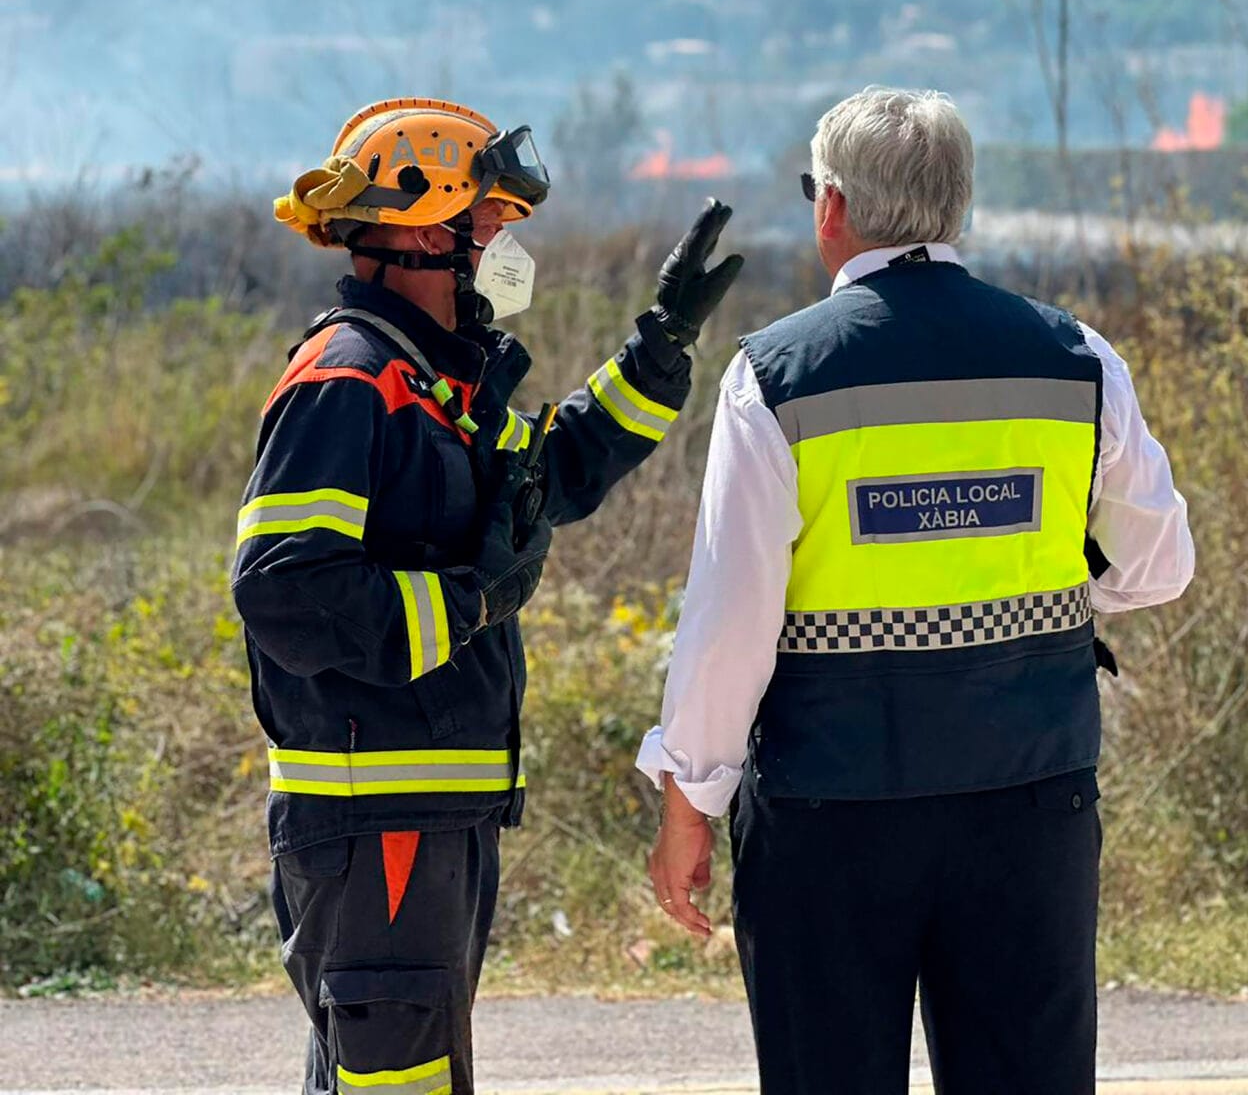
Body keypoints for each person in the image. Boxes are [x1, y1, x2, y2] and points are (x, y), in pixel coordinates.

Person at [639, 86, 1193, 1095]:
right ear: (961, 205)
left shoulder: (778, 374)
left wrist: (690, 802)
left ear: (832, 205)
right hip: (1030, 801)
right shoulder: (1077, 359)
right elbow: (1160, 563)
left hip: (832, 810)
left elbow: (732, 624)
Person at [233, 97, 741, 1095]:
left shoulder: (434, 386)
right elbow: (287, 591)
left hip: (429, 814)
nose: (505, 250)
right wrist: (465, 602)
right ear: (430, 229)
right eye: (491, 225)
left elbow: (549, 476)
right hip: (377, 818)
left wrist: (661, 345)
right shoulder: (349, 381)